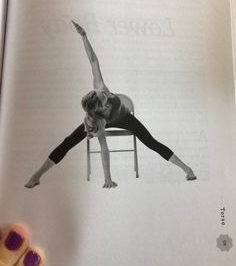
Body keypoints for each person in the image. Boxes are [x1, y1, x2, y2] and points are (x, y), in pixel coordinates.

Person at [25, 21, 197, 189]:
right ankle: (37, 175)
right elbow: (104, 148)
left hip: (124, 117)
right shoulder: (97, 120)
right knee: (68, 142)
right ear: (98, 109)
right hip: (108, 121)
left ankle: (186, 169)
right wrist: (108, 179)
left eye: (103, 96)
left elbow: (93, 61)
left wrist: (84, 36)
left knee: (150, 141)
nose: (106, 97)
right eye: (104, 102)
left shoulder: (100, 87)